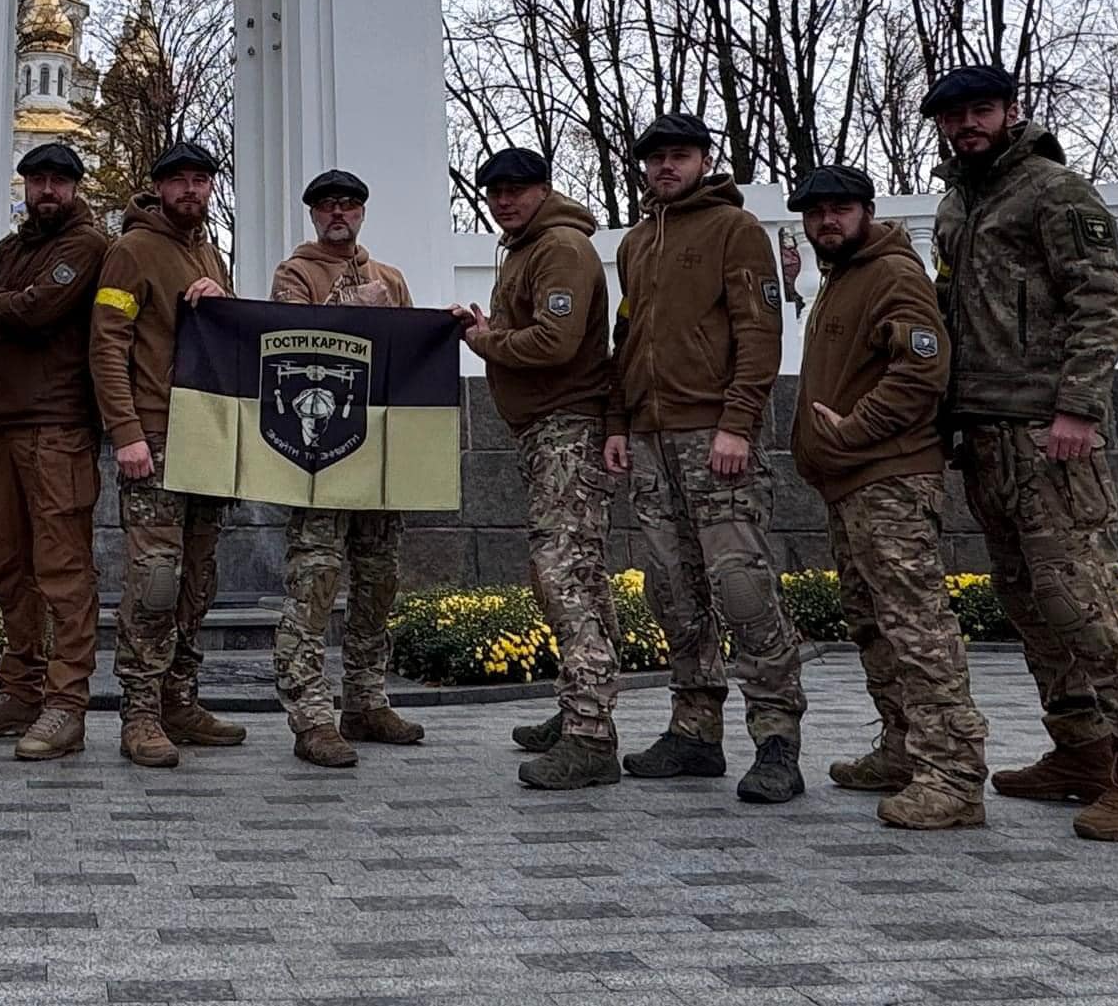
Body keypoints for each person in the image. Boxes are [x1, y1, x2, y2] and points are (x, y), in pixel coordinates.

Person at [926, 64, 1118, 841]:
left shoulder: (1054, 190)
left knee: (1083, 600)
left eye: (981, 109)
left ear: (1011, 111)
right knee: (1029, 603)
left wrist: (1078, 406)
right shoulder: (956, 202)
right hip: (985, 434)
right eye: (954, 114)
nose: (968, 123)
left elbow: (1100, 299)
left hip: (1049, 434)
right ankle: (1081, 749)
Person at [605, 112, 807, 805]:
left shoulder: (736, 230)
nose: (667, 166)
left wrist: (739, 423)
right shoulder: (636, 242)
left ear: (703, 159)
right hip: (651, 439)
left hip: (715, 436)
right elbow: (626, 337)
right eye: (656, 157)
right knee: (672, 588)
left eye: (680, 155)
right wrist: (618, 422)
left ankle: (777, 735)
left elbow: (759, 330)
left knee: (742, 587)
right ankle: (695, 729)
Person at [788, 164, 988, 829]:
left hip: (890, 479)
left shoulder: (893, 272)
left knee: (917, 627)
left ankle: (954, 774)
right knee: (873, 620)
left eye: (839, 209)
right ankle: (903, 747)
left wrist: (854, 429)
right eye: (815, 213)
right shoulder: (846, 275)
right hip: (852, 482)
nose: (826, 221)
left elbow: (922, 369)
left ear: (866, 210)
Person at [452, 148, 619, 791]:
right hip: (546, 433)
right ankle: (582, 707)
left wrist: (485, 341)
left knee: (565, 575)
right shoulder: (525, 248)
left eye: (517, 189)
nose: (503, 200)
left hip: (567, 431)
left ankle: (590, 736)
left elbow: (556, 341)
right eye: (494, 191)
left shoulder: (560, 249)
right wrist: (492, 328)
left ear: (543, 190)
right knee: (572, 572)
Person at [0, 142, 109, 761]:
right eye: (36, 180)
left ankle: (66, 704)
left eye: (58, 182)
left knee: (63, 572)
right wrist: (9, 305)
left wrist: (4, 304)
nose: (47, 191)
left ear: (74, 187)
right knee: (10, 568)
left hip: (59, 427)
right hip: (4, 425)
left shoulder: (87, 243)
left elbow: (44, 309)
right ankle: (20, 690)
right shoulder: (12, 246)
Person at [90, 139, 242, 769]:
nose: (190, 190)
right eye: (177, 180)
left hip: (205, 436)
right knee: (156, 580)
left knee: (197, 579)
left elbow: (229, 339)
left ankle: (181, 697)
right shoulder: (131, 251)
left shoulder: (209, 250)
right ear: (158, 187)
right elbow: (106, 344)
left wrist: (223, 297)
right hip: (152, 436)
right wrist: (124, 432)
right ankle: (141, 711)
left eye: (200, 180)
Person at [270, 168, 425, 769]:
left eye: (350, 205)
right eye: (329, 205)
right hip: (319, 453)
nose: (340, 213)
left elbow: (410, 355)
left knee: (379, 576)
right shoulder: (295, 274)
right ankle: (311, 713)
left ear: (363, 213)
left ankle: (365, 698)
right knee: (315, 577)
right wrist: (345, 307)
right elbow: (290, 344)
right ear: (313, 214)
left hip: (378, 453)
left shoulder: (390, 278)